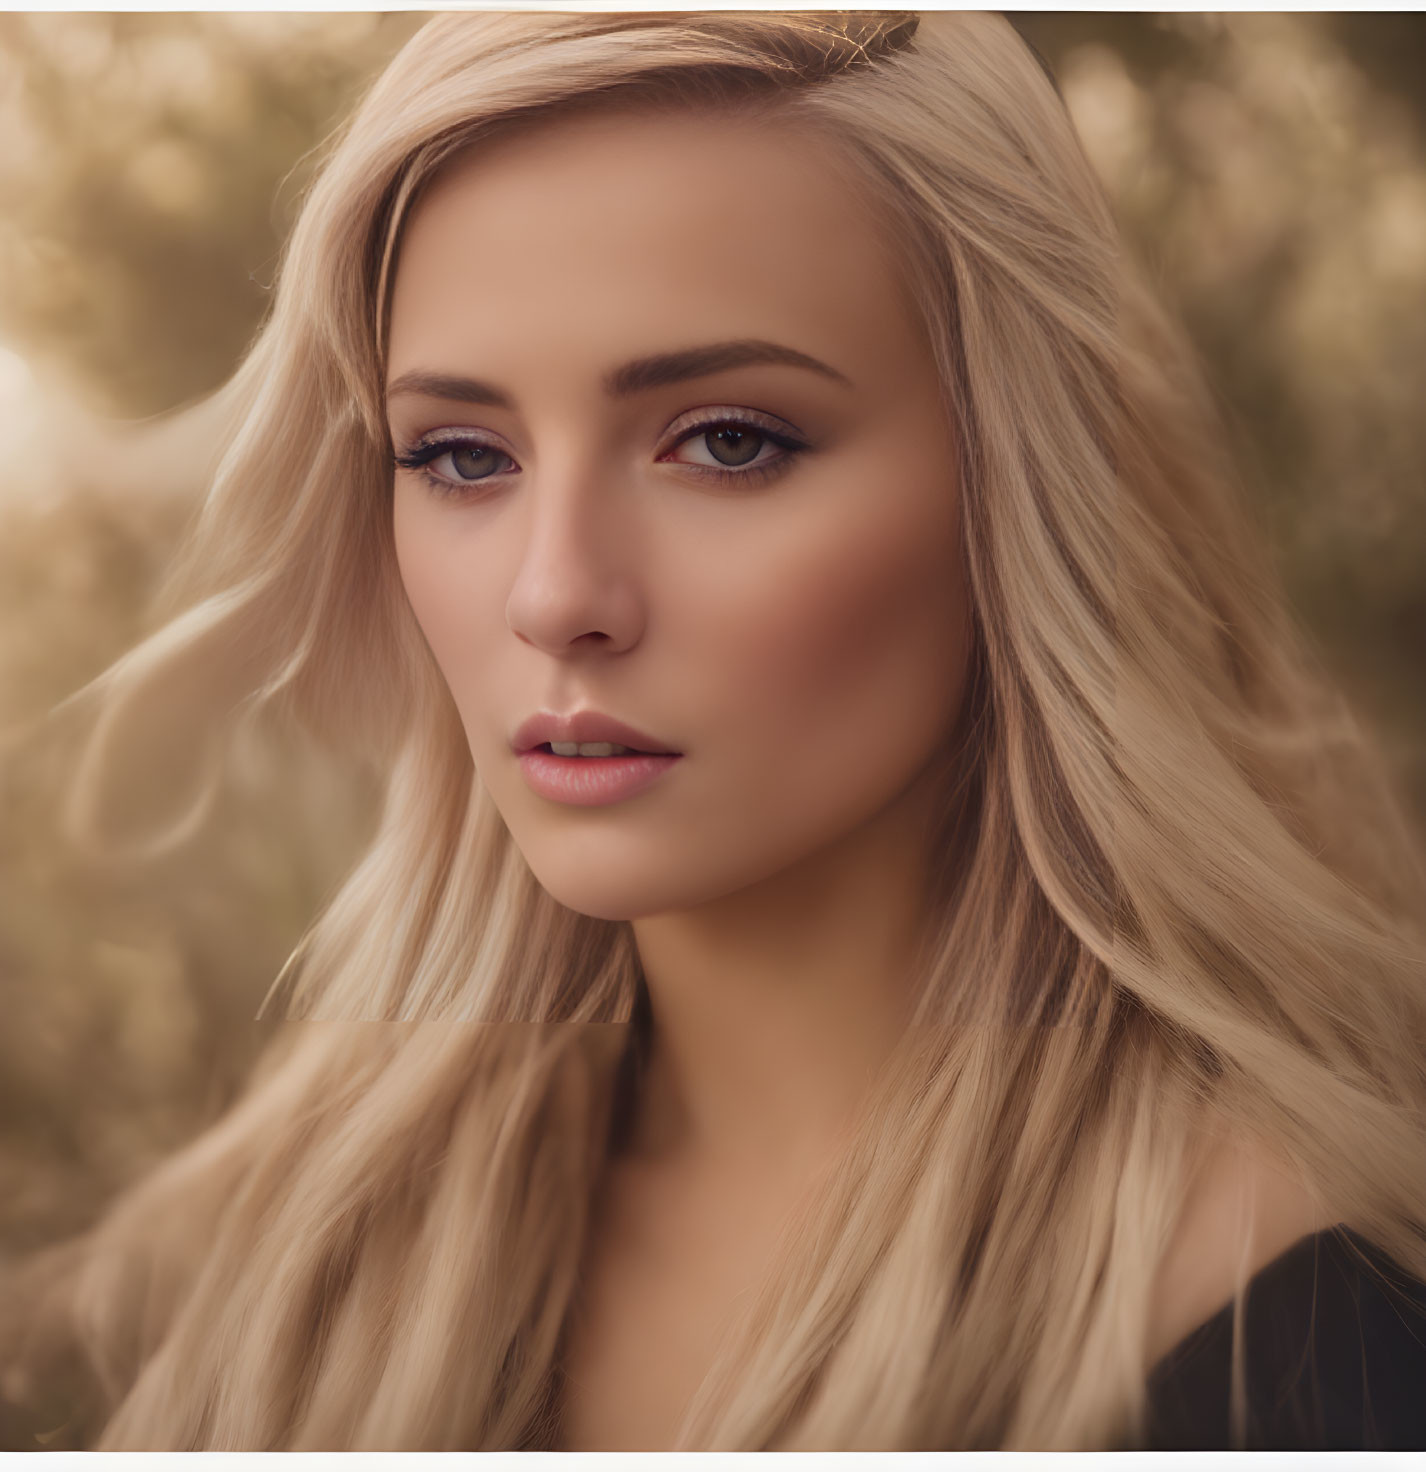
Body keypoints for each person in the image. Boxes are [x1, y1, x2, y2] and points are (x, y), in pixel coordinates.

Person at [2, 9, 1424, 1453]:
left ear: (1017, 488)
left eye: (728, 440)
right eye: (461, 455)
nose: (555, 596)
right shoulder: (282, 1258)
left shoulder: (1286, 1334)